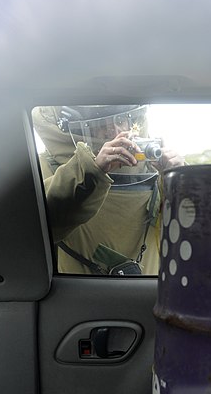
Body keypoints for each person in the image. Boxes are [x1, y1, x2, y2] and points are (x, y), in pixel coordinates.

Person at [32, 105, 184, 275]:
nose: (116, 132)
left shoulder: (155, 163)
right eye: (102, 126)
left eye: (121, 121)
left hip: (151, 292)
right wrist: (91, 170)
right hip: (78, 294)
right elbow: (36, 225)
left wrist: (180, 180)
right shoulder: (43, 167)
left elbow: (195, 230)